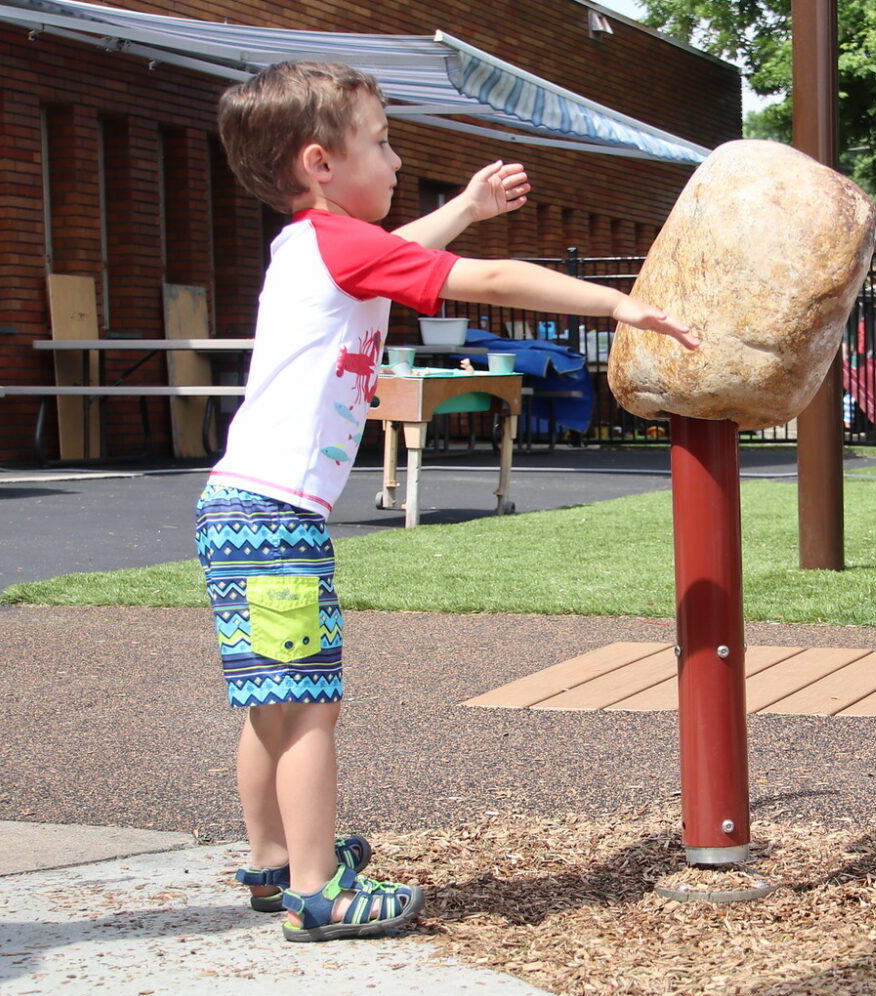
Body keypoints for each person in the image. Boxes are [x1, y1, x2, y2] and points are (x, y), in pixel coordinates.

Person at [201, 60, 699, 942]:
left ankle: (275, 859)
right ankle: (318, 889)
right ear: (321, 163)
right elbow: (494, 281)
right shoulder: (341, 245)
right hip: (277, 518)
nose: (396, 162)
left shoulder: (309, 244)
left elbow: (412, 250)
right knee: (310, 703)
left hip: (239, 506)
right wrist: (618, 305)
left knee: (270, 700)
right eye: (382, 143)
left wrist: (464, 205)